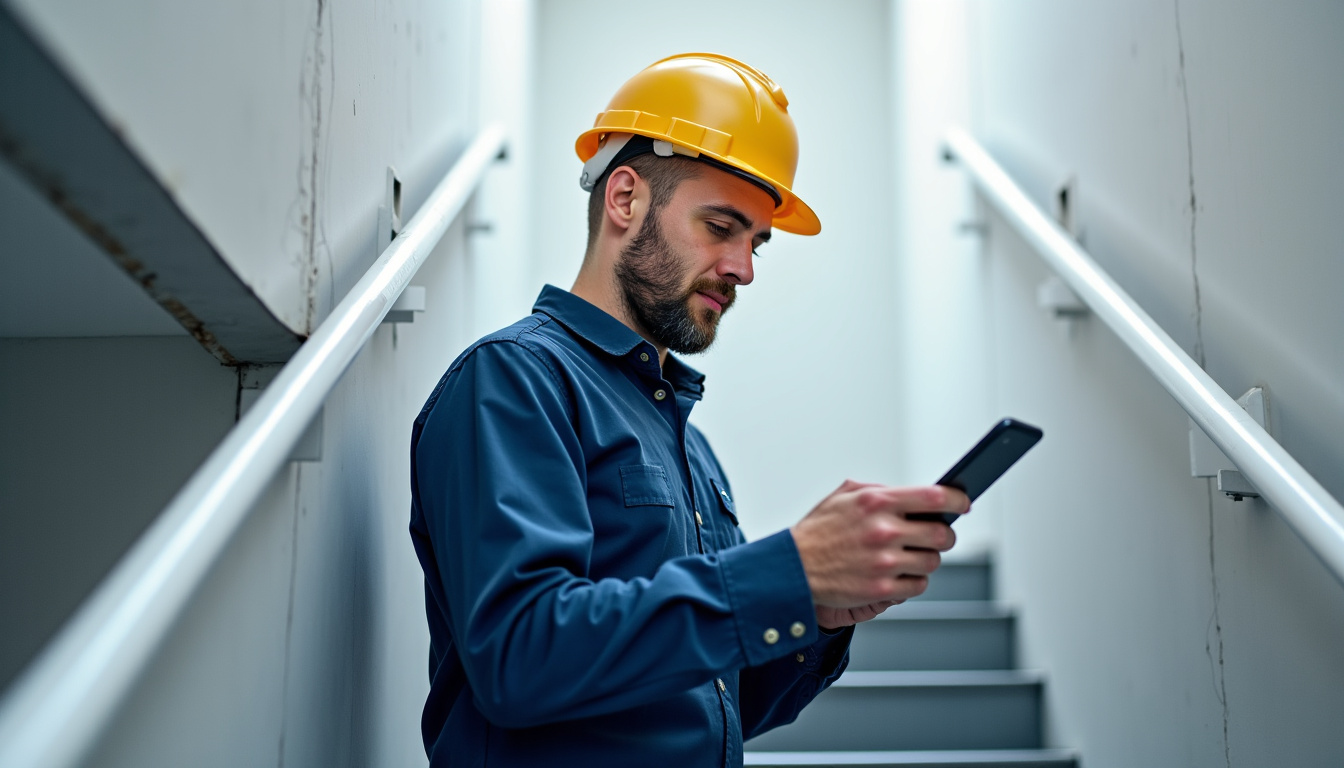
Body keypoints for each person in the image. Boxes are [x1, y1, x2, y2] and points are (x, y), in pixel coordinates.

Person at [408, 53, 969, 767]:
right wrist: (785, 572)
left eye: (756, 241)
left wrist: (818, 612)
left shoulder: (688, 444)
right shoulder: (514, 381)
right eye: (720, 225)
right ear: (625, 199)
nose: (745, 268)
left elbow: (721, 703)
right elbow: (521, 656)